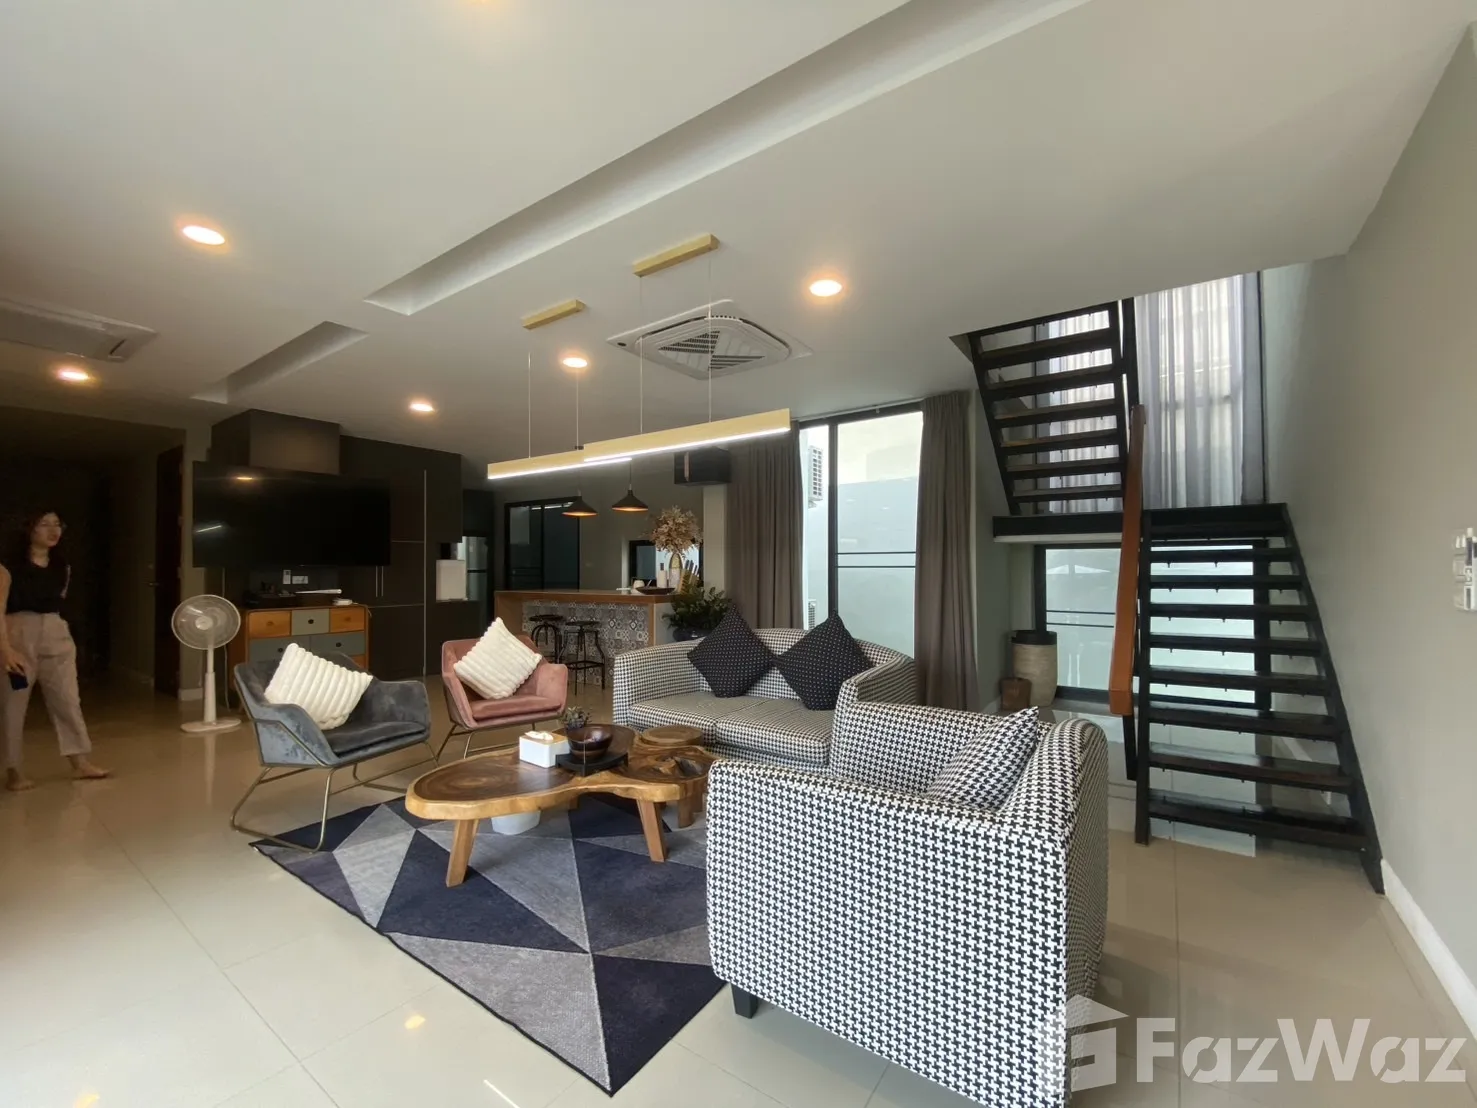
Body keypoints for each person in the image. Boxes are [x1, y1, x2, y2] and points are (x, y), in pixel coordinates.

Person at [0, 510, 109, 789]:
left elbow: (60, 600)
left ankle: (80, 761)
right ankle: (13, 769)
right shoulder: (8, 567)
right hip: (18, 634)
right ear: (30, 529)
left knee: (67, 699)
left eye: (57, 524)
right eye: (44, 524)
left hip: (55, 633)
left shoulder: (63, 567)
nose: (53, 530)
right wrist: (6, 649)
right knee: (13, 704)